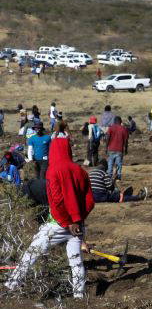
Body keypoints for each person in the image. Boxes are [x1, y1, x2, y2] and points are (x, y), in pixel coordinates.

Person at [4, 139, 93, 298]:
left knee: (32, 253)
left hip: (59, 224)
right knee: (76, 260)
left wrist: (68, 222)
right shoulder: (81, 171)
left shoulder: (53, 171)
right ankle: (79, 295)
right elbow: (90, 202)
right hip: (77, 225)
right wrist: (78, 219)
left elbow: (56, 201)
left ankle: (10, 287)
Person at [106, 116, 130, 180]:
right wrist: (126, 149)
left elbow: (107, 138)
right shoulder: (123, 129)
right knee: (119, 164)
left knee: (110, 164)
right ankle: (118, 177)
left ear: (114, 121)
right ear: (120, 121)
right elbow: (126, 140)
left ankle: (109, 177)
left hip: (111, 149)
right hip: (119, 150)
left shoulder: (111, 128)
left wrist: (106, 147)